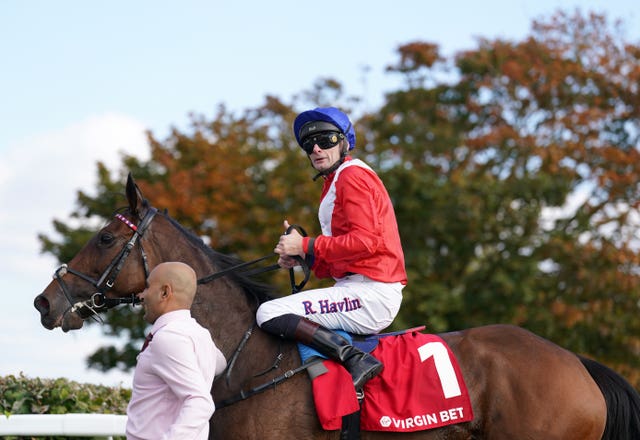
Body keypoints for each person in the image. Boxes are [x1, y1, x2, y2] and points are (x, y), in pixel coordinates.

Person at [256, 107, 407, 390]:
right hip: (357, 288)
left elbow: (366, 242)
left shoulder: (351, 176)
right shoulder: (335, 181)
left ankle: (355, 360)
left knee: (267, 313)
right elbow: (342, 260)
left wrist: (304, 244)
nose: (315, 148)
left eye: (325, 140)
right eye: (308, 144)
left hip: (372, 293)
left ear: (344, 142)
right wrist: (302, 257)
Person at [126, 261, 227, 440]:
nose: (141, 296)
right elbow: (220, 364)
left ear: (165, 292)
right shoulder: (200, 335)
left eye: (148, 287)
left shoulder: (168, 337)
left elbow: (200, 402)